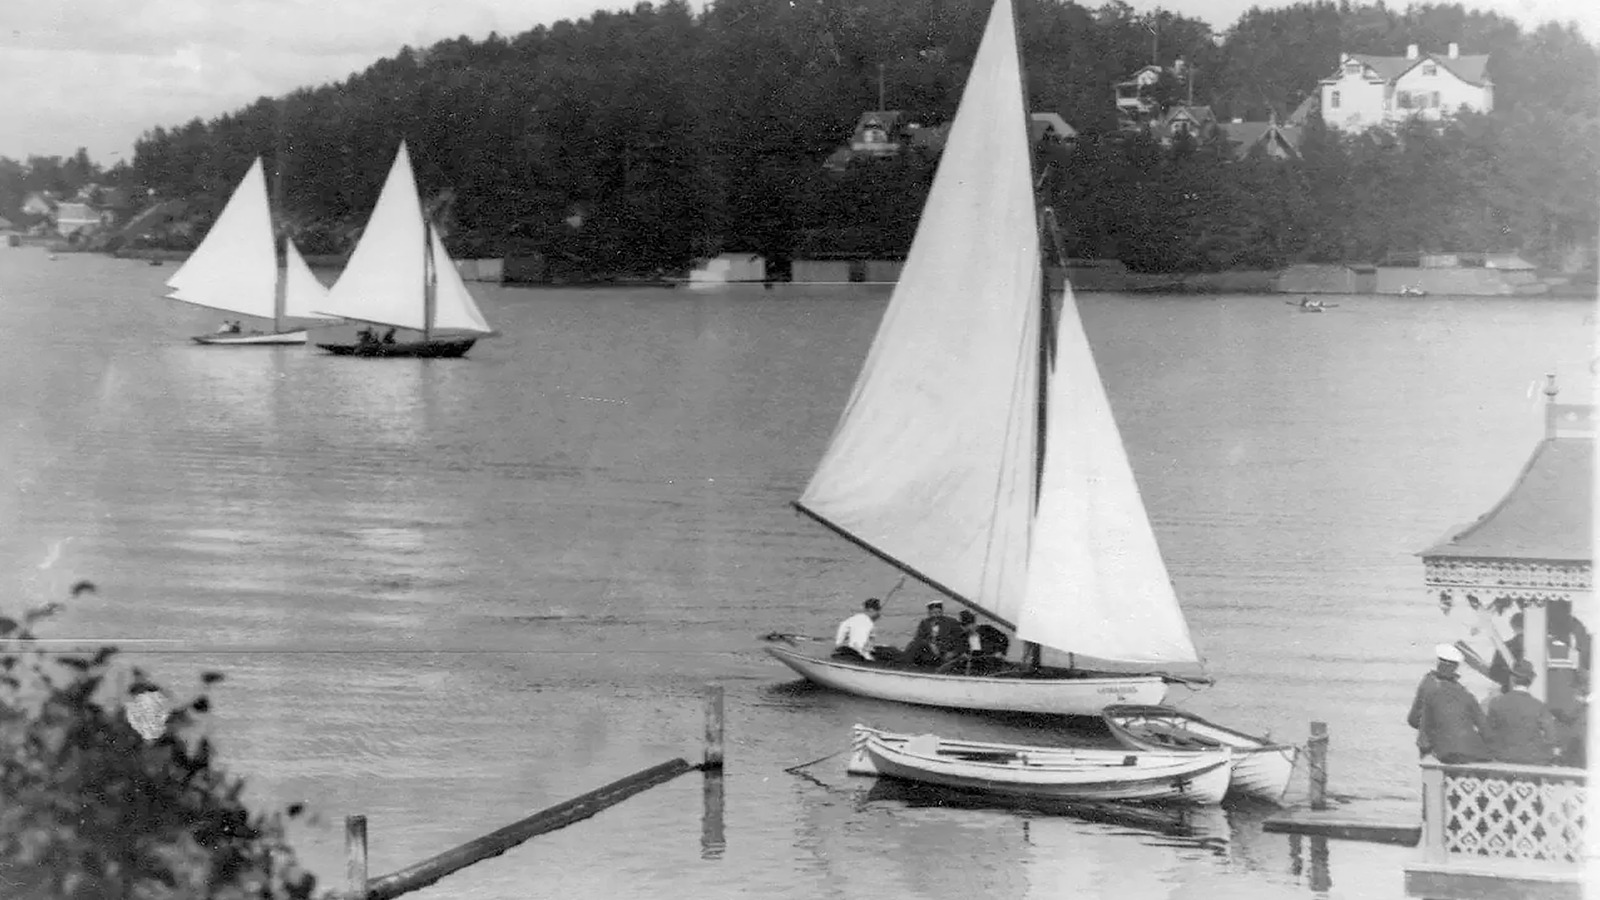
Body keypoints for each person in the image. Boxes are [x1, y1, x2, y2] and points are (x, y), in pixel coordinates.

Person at [1407, 643, 1489, 764]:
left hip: (1434, 751)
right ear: (1456, 667)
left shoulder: (1427, 683)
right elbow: (1482, 724)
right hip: (1464, 751)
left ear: (1438, 662)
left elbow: (1413, 720)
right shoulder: (1463, 692)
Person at [1482, 660, 1559, 765]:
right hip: (1532, 759)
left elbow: (1487, 733)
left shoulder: (1496, 702)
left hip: (1503, 758)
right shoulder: (1538, 706)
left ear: (1512, 678)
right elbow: (1551, 736)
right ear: (1531, 680)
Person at [903, 600, 965, 667]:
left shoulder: (951, 622)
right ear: (929, 613)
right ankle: (906, 664)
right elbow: (919, 638)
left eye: (939, 612)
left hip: (945, 652)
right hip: (930, 652)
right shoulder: (924, 623)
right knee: (913, 645)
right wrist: (930, 644)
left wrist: (953, 652)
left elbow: (961, 639)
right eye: (934, 613)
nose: (936, 615)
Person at [833, 597, 882, 663]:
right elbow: (858, 645)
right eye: (878, 611)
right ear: (871, 610)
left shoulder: (854, 618)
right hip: (854, 656)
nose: (879, 614)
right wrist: (870, 660)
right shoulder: (865, 623)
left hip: (842, 652)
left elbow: (840, 639)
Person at [1487, 613, 1526, 694]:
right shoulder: (1542, 646)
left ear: (1513, 627)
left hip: (1511, 693)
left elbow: (1494, 673)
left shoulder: (1505, 647)